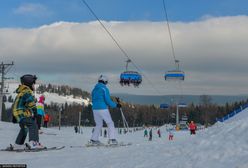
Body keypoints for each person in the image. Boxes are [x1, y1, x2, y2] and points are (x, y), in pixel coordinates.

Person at [12, 74, 44, 149]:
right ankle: (34, 142)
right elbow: (31, 103)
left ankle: (18, 144)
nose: (34, 86)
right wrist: (35, 111)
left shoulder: (21, 92)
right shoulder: (27, 91)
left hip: (19, 115)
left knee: (24, 129)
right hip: (23, 114)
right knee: (33, 125)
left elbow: (16, 104)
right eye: (33, 84)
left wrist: (14, 116)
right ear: (29, 84)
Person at [89, 75, 121, 145]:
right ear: (104, 81)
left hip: (95, 109)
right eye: (106, 82)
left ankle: (94, 140)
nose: (106, 84)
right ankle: (112, 140)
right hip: (102, 108)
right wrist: (116, 105)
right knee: (110, 123)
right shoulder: (104, 89)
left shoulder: (94, 90)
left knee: (98, 124)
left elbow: (93, 100)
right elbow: (108, 101)